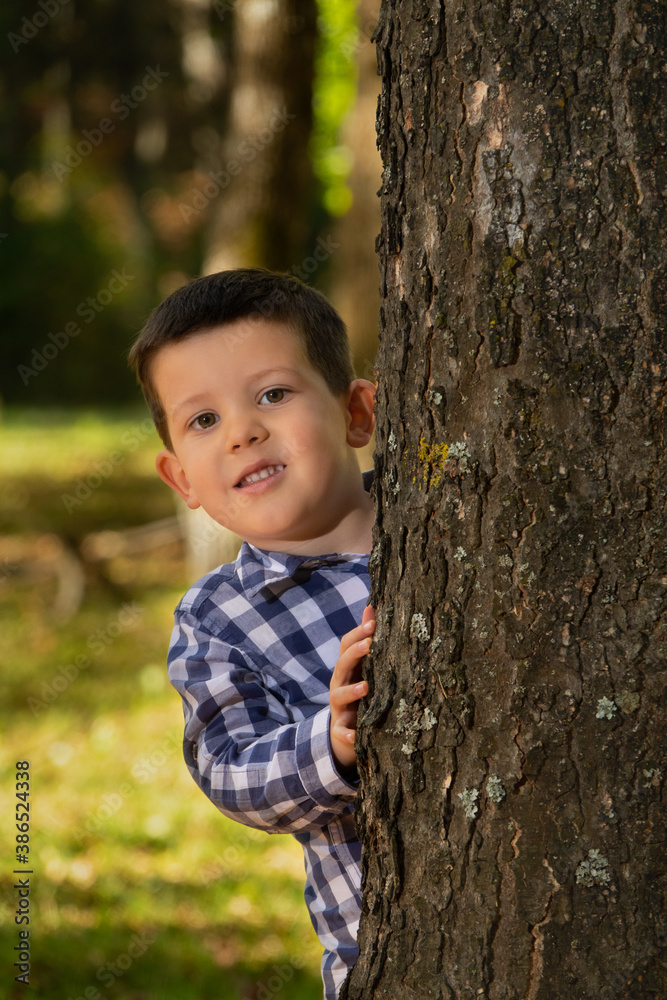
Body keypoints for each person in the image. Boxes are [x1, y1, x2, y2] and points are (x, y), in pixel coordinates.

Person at [128, 268, 376, 998]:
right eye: (204, 420)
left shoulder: (454, 509)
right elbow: (230, 769)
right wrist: (330, 743)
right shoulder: (218, 620)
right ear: (182, 479)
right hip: (385, 954)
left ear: (356, 413)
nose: (243, 432)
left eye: (272, 394)